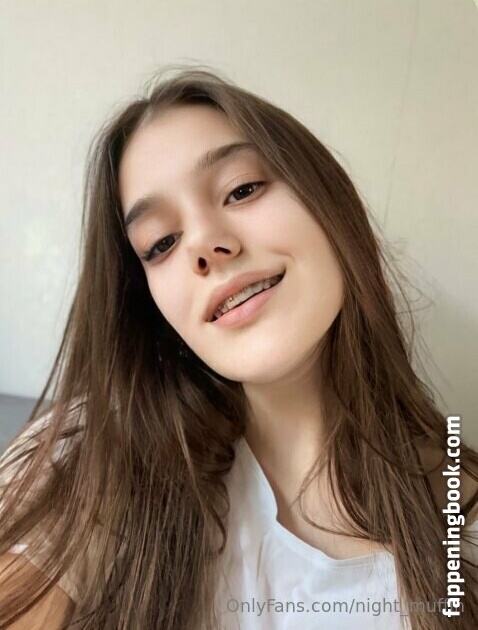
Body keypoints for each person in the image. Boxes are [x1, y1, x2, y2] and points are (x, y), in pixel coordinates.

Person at [0, 65, 477, 630]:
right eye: (161, 243)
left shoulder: (460, 515)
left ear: (328, 200)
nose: (204, 245)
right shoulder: (91, 456)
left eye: (242, 189)